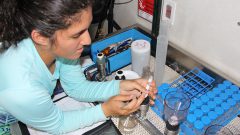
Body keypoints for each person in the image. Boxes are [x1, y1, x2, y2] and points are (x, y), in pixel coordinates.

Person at [0, 0, 157, 134]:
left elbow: (76, 88)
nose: (88, 41)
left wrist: (121, 86)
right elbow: (58, 124)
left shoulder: (57, 47)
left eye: (87, 28)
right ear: (40, 37)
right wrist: (105, 110)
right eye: (77, 35)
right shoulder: (21, 88)